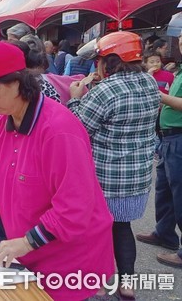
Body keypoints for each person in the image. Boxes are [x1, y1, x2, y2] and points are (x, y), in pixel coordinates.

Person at [0, 42, 115, 301]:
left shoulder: (59, 130)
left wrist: (27, 241)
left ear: (18, 82)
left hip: (68, 260)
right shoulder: (2, 124)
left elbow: (75, 206)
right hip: (29, 254)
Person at [68, 31, 160, 299]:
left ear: (110, 60)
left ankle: (89, 282)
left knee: (92, 232)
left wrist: (76, 97)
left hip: (104, 178)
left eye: (99, 59)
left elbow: (80, 130)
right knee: (122, 228)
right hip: (137, 178)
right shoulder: (149, 83)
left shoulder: (106, 90)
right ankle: (126, 284)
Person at [136, 31, 182, 269]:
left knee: (180, 194)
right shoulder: (179, 71)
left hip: (179, 138)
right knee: (164, 190)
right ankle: (164, 233)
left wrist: (159, 96)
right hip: (168, 138)